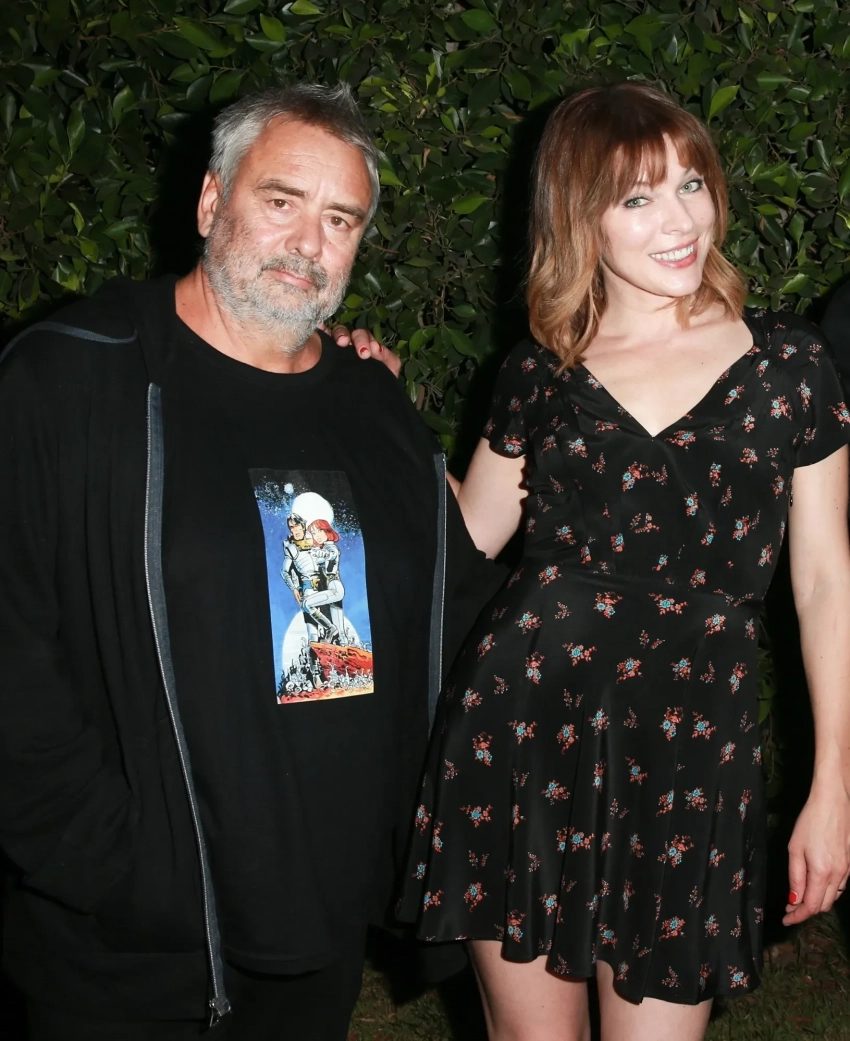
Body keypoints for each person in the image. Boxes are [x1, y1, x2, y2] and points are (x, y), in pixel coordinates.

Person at [0, 82, 500, 1040]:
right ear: (209, 201)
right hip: (129, 946)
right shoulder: (70, 379)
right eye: (282, 200)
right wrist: (110, 863)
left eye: (341, 219)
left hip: (318, 928)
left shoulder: (373, 405)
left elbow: (454, 608)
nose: (309, 242)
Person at [393, 83, 850, 1041]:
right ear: (579, 217)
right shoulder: (542, 370)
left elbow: (822, 582)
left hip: (694, 749)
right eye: (637, 198)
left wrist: (833, 784)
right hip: (522, 730)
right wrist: (376, 415)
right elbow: (466, 535)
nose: (679, 220)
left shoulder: (790, 366)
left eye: (692, 184)